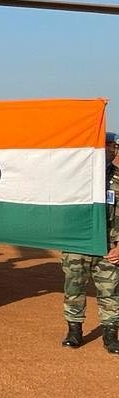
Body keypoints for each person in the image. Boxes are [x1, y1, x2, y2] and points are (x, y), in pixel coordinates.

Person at [60, 131, 119, 354]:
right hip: (78, 247)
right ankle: (74, 331)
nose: (110, 149)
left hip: (109, 248)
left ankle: (110, 336)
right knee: (74, 289)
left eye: (113, 145)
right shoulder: (76, 179)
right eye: (105, 144)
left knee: (111, 292)